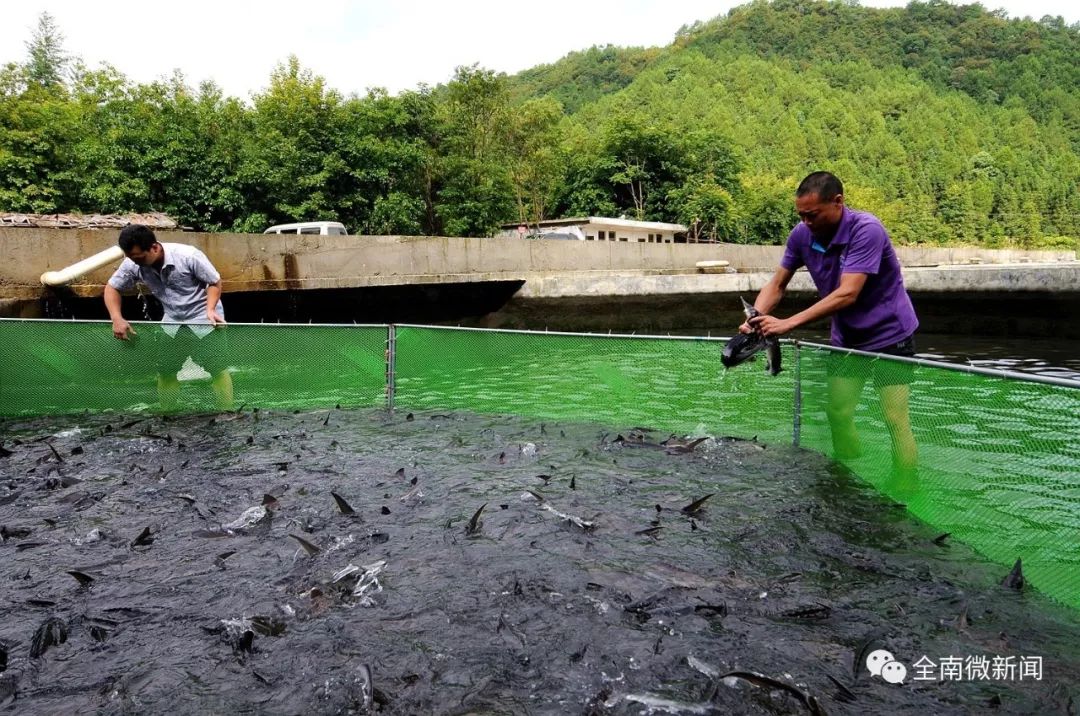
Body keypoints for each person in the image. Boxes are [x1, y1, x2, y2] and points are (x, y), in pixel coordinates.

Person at [742, 171, 919, 482]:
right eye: (801, 216)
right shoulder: (801, 235)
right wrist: (755, 316)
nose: (807, 222)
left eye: (813, 215)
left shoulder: (866, 230)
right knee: (837, 413)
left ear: (838, 202)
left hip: (891, 336)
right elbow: (778, 283)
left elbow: (848, 292)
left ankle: (906, 484)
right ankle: (849, 479)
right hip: (848, 338)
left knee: (894, 419)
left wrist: (788, 323)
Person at [104, 224, 233, 410]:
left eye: (140, 258)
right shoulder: (133, 263)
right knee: (165, 370)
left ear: (154, 247)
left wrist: (211, 308)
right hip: (172, 321)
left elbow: (214, 281)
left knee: (218, 368)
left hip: (204, 318)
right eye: (131, 258)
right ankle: (168, 413)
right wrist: (116, 318)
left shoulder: (188, 256)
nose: (136, 263)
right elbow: (112, 287)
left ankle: (226, 411)